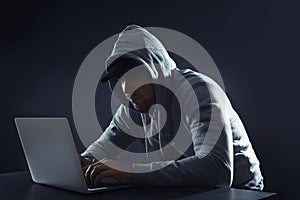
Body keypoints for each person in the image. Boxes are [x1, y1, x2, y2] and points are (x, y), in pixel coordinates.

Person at [79, 25, 264, 190]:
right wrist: (80, 164)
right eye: (121, 81)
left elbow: (218, 169)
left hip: (240, 193)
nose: (127, 89)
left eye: (135, 77)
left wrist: (131, 173)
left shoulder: (199, 92)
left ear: (157, 71)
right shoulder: (134, 108)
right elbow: (102, 149)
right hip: (189, 191)